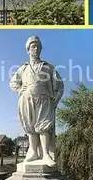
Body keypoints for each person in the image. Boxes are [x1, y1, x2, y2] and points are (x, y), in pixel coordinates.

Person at [9, 35, 64, 167]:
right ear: (28, 50)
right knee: (30, 127)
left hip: (44, 99)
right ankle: (33, 152)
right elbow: (13, 83)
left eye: (38, 46)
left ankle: (45, 154)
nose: (36, 48)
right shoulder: (23, 68)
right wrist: (20, 89)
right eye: (33, 46)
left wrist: (56, 97)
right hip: (27, 100)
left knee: (44, 126)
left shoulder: (48, 67)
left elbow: (59, 84)